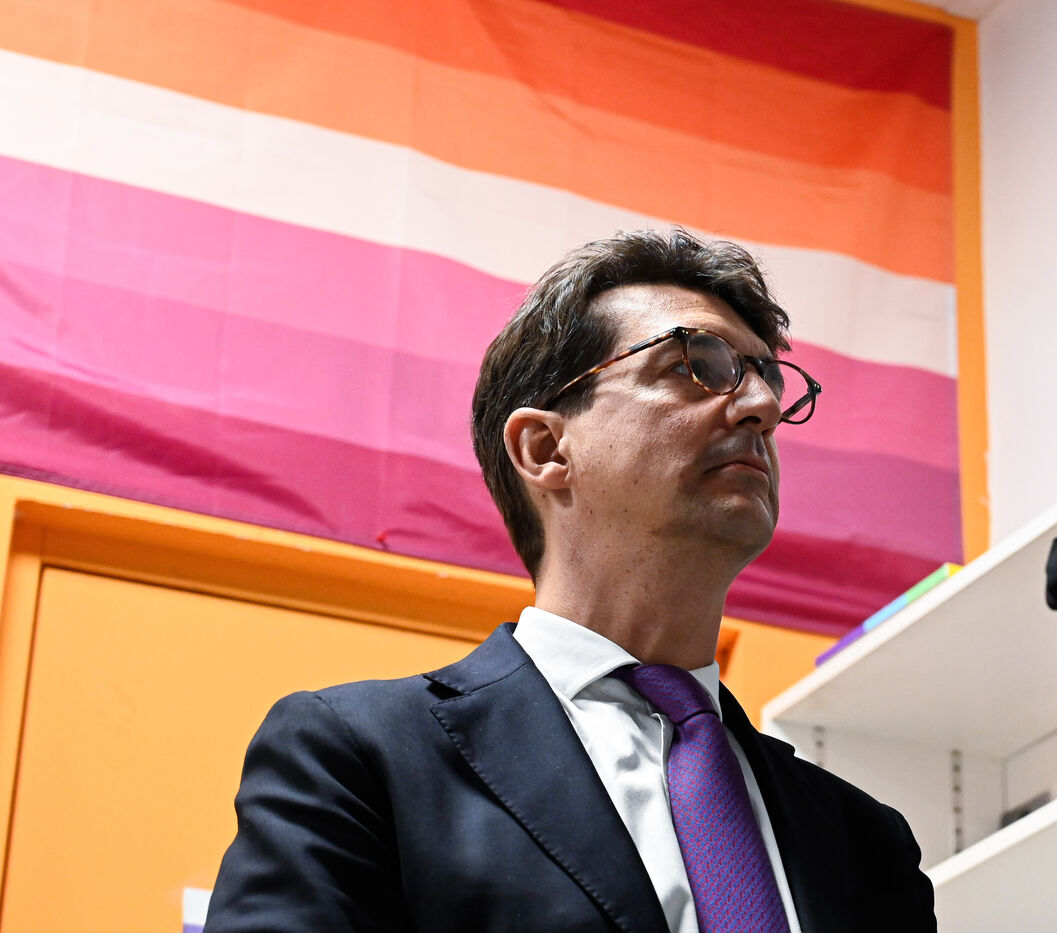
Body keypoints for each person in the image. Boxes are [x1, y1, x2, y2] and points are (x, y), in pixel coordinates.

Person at [206, 229, 937, 932]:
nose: (762, 407)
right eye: (695, 364)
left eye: (766, 379)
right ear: (546, 447)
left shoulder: (869, 846)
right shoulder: (357, 758)